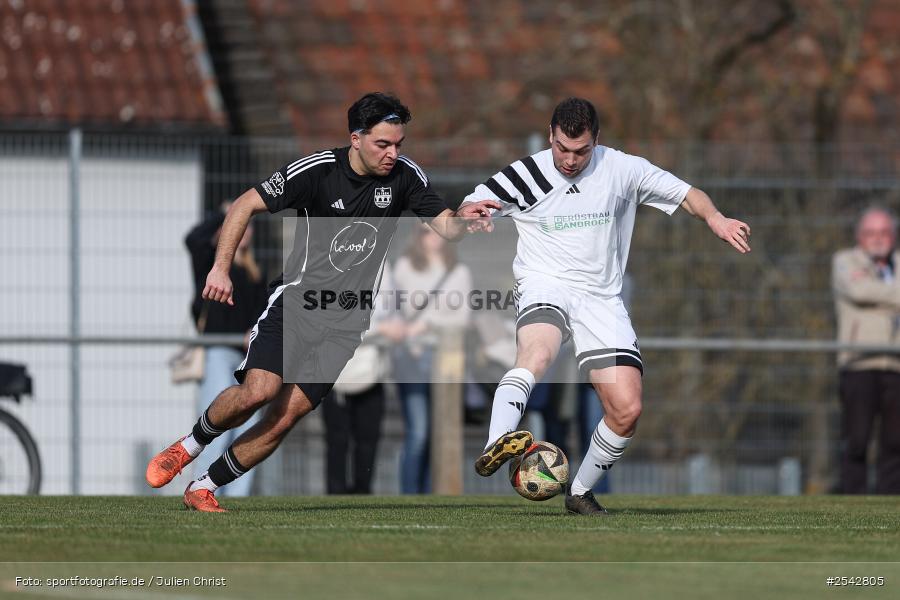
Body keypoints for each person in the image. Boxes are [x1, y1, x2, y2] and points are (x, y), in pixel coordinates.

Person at [145, 92, 499, 511]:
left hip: (347, 323)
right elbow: (244, 204)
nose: (393, 154)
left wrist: (465, 217)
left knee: (285, 416)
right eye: (382, 144)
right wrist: (220, 268)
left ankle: (204, 487)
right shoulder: (316, 171)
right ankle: (189, 445)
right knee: (259, 390)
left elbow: (445, 226)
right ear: (355, 138)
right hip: (296, 304)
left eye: (398, 144)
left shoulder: (405, 176)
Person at [465, 97, 751, 515]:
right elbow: (470, 207)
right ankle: (498, 440)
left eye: (581, 151)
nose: (570, 159)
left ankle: (579, 493)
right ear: (551, 136)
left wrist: (716, 218)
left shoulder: (622, 169)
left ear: (596, 141)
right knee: (537, 353)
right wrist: (467, 214)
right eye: (562, 147)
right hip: (546, 284)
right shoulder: (526, 173)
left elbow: (689, 195)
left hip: (601, 297)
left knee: (627, 409)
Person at [184, 207, 268, 497]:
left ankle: (238, 494)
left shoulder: (255, 272)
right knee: (216, 424)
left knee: (246, 427)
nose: (247, 230)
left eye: (249, 225)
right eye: (240, 224)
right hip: (219, 352)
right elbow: (193, 239)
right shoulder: (211, 262)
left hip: (247, 358)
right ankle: (200, 490)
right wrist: (228, 214)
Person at [392, 224, 473, 493]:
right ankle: (409, 495)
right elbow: (395, 311)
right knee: (419, 431)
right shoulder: (404, 267)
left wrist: (426, 324)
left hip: (446, 358)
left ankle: (431, 495)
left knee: (442, 433)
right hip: (411, 357)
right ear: (416, 235)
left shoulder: (459, 272)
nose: (433, 237)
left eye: (437, 231)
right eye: (425, 231)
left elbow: (462, 317)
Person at [832, 206, 900, 494]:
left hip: (896, 366)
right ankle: (851, 498)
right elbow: (859, 292)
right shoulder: (845, 261)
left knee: (895, 442)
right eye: (871, 232)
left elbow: (870, 293)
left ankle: (890, 501)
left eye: (884, 232)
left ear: (894, 236)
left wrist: (879, 297)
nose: (878, 238)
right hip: (858, 364)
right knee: (857, 439)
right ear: (859, 236)